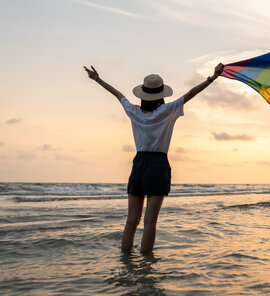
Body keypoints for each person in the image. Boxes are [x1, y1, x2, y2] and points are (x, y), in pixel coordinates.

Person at [84, 63, 224, 253]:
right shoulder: (167, 111)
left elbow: (117, 94)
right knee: (150, 221)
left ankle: (126, 262)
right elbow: (191, 94)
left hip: (139, 164)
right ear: (161, 95)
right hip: (157, 165)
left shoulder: (133, 111)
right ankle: (147, 267)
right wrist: (212, 77)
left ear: (143, 94)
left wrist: (97, 79)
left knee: (132, 219)